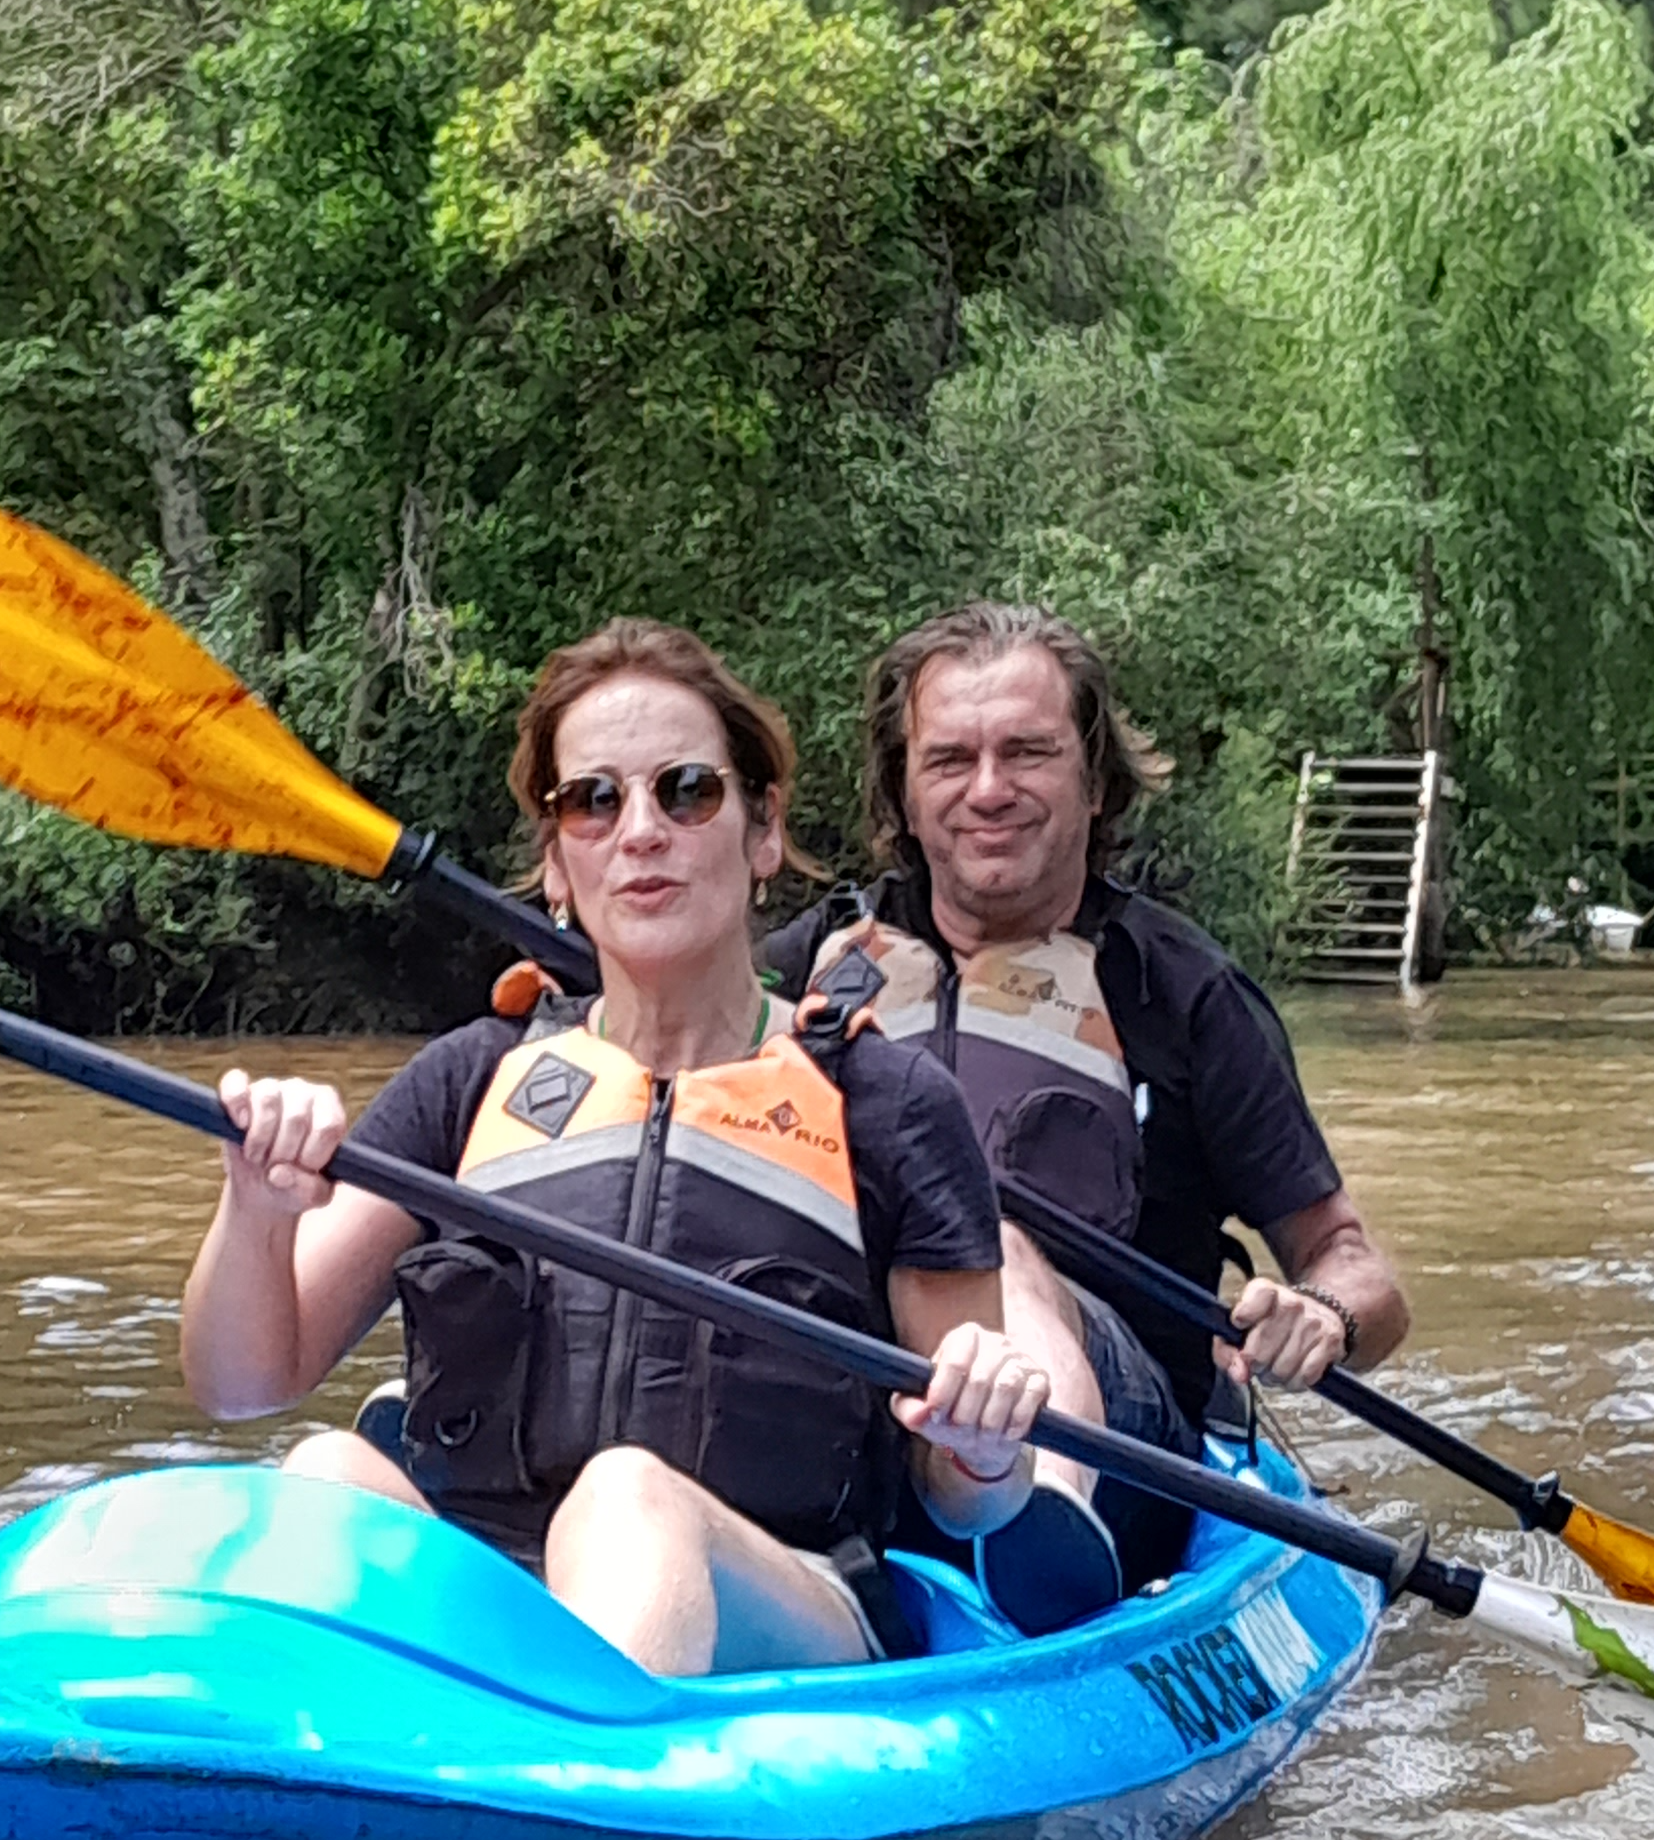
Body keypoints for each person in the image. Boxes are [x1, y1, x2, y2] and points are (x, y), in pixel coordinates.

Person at [180, 618, 1054, 1679]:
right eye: (592, 800)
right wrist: (257, 1208)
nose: (639, 829)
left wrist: (985, 1441)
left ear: (761, 828)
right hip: (495, 1579)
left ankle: (568, 1792)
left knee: (628, 1498)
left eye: (685, 790)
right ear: (555, 861)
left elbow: (965, 1494)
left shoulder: (883, 1100)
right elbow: (242, 1381)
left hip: (785, 1593)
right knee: (322, 1466)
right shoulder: (470, 1078)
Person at [761, 602, 1410, 1633]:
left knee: (989, 1240)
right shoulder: (804, 973)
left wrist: (1320, 1314)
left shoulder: (1183, 994)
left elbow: (1353, 1267)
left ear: (1093, 779)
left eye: (1027, 752)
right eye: (949, 759)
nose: (988, 790)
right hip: (864, 1409)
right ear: (902, 787)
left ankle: (1040, 1526)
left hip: (1120, 1455)